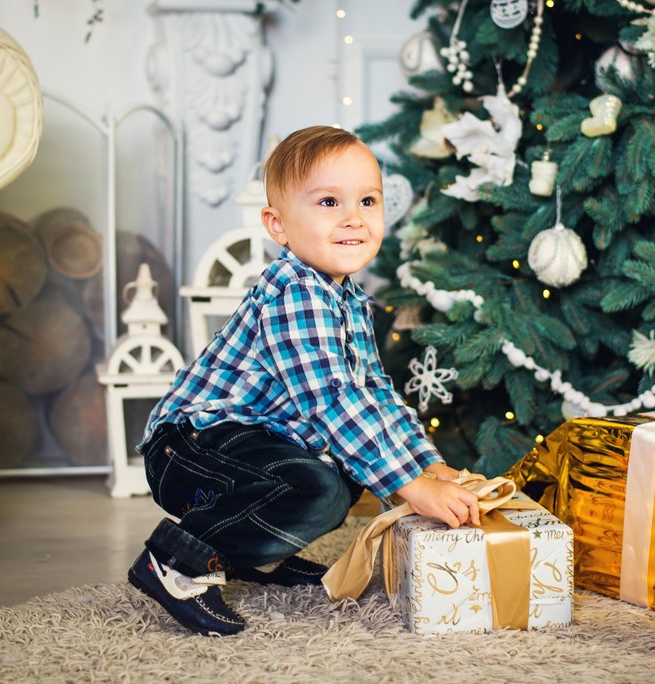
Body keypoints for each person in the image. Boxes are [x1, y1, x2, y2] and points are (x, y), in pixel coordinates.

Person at [127, 125, 481, 637]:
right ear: (279, 225)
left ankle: (260, 557)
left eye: (367, 200)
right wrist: (410, 487)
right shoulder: (294, 292)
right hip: (190, 449)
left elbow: (372, 395)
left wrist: (429, 465)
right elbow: (331, 404)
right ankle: (175, 562)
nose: (354, 218)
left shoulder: (347, 299)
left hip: (249, 444)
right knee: (317, 489)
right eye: (329, 202)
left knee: (347, 471)